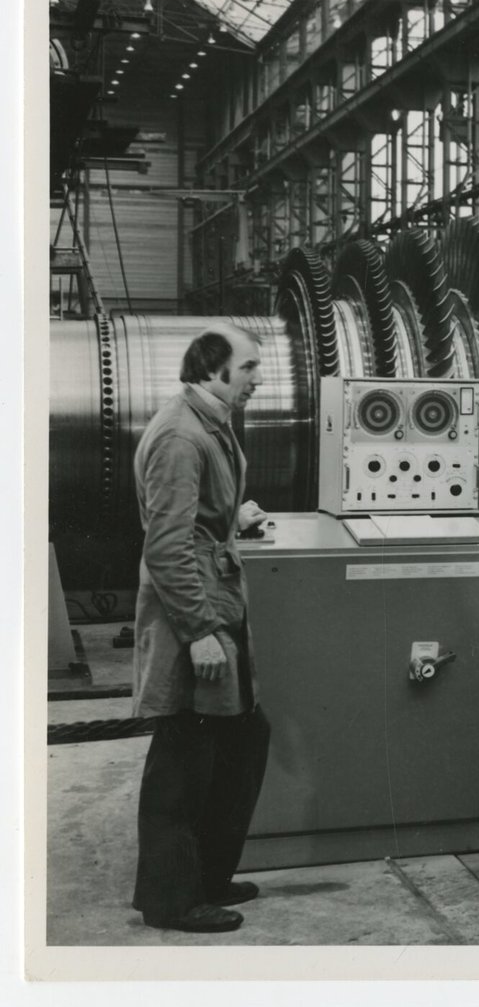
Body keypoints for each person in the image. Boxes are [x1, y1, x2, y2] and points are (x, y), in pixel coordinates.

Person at [129, 324, 271, 933]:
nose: (256, 380)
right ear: (213, 369)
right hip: (193, 611)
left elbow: (192, 513)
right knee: (184, 755)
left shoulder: (206, 423)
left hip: (215, 599)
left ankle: (209, 876)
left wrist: (232, 511)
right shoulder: (183, 436)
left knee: (241, 738)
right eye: (248, 369)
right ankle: (171, 900)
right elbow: (166, 546)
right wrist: (198, 632)